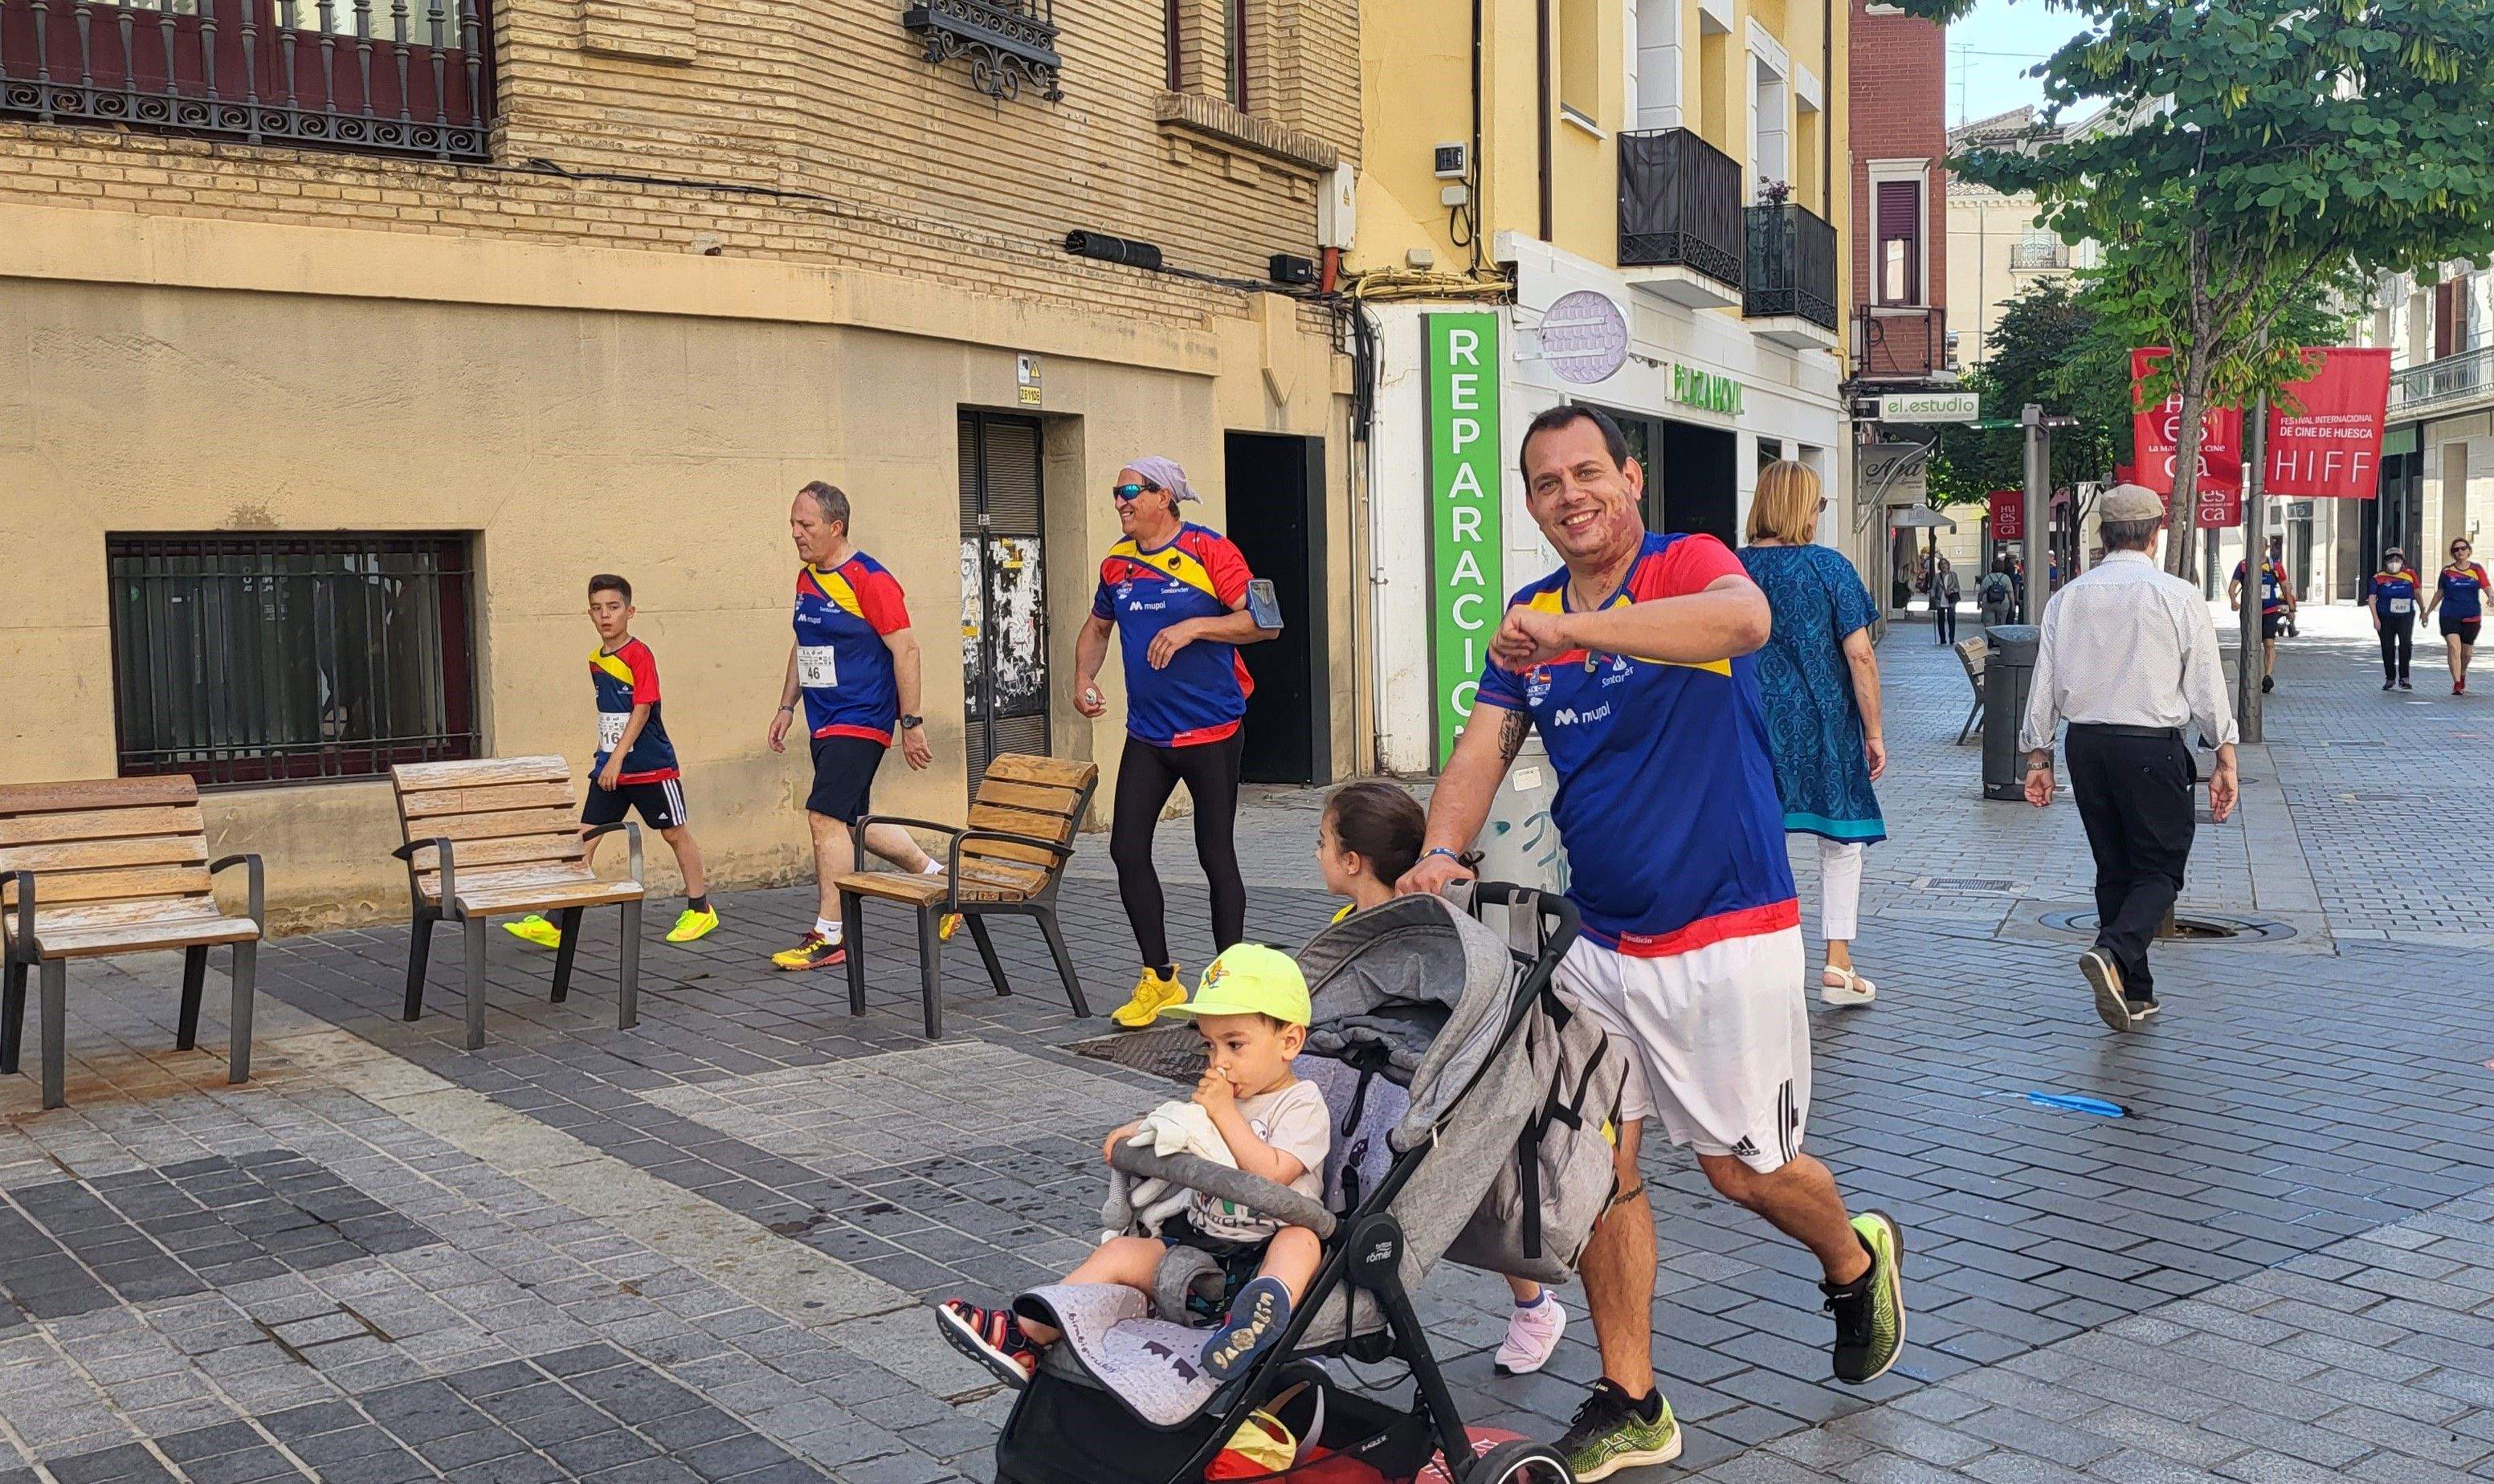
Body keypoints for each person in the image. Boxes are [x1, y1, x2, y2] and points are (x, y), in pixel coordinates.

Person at [1398, 406, 1905, 1482]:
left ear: (1631, 477)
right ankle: (1633, 1400)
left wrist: (1576, 635)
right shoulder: (1530, 616)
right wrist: (1442, 847)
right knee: (1595, 1168)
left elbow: (1743, 626)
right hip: (1601, 941)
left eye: (1587, 471)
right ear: (1531, 504)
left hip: (1725, 928)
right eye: (1545, 482)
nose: (1569, 494)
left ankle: (1853, 1259)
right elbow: (1483, 745)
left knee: (1741, 1175)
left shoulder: (1688, 564)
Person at [934, 944, 1329, 1385]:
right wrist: (1143, 1131)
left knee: (1303, 1240)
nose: (1219, 1062)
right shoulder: (1224, 1098)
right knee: (1120, 1252)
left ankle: (1252, 1326)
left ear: (1290, 1041)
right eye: (1209, 1046)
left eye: (1235, 1045)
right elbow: (1182, 1125)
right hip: (1204, 1245)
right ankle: (1023, 1337)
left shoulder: (1302, 1103)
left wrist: (1223, 1114)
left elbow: (1273, 1175)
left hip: (1267, 1246)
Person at [1313, 781, 1570, 1376]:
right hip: (1361, 1094)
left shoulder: (1438, 939)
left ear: (1352, 862)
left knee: (1471, 1194)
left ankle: (1534, 1306)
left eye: (1321, 841)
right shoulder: (1349, 932)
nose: (1317, 852)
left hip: (1426, 1097)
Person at [2021, 485, 2240, 1033]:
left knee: (2113, 865)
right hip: (2149, 745)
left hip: (2086, 744)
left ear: (2102, 534)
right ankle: (2113, 951)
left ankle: (2135, 991)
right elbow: (2206, 686)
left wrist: (2037, 756)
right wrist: (2224, 756)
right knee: (2161, 867)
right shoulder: (2177, 595)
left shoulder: (2068, 596)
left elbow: (2042, 681)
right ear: (2155, 530)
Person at [1073, 457, 1276, 1028]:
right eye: (1115, 492)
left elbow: (1266, 623)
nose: (1120, 501)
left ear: (1165, 496)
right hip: (1148, 733)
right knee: (1125, 849)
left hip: (1212, 730)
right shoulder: (1116, 563)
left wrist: (1193, 626)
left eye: (1131, 490)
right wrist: (1082, 677)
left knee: (1215, 854)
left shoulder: (1212, 551)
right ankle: (1159, 978)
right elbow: (1097, 626)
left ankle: (1228, 982)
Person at [765, 482, 949, 972]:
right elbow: (804, 645)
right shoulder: (808, 579)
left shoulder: (870, 578)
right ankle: (938, 879)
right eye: (792, 525)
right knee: (851, 822)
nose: (796, 534)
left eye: (805, 525)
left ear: (835, 527)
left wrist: (911, 723)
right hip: (823, 720)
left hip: (861, 717)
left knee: (823, 816)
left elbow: (906, 650)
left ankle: (830, 933)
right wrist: (786, 706)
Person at [1740, 463, 1889, 1008]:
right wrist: (1873, 730)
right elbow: (1859, 654)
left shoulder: (1730, 570)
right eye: (1818, 505)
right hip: (1824, 721)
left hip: (1750, 722)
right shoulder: (1828, 567)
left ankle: (1762, 958)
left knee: (1759, 836)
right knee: (1840, 842)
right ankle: (1837, 961)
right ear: (1801, 508)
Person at [508, 573, 719, 949]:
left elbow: (642, 707)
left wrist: (619, 757)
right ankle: (555, 923)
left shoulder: (640, 654)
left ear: (630, 611)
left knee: (674, 832)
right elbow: (611, 714)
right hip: (610, 770)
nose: (605, 615)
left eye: (614, 607)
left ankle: (700, 909)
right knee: (585, 837)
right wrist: (609, 759)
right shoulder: (595, 660)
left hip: (650, 767)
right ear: (589, 614)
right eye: (597, 609)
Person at [2227, 535, 2296, 695]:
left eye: (2260, 545)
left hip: (2269, 611)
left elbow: (2285, 587)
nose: (2256, 548)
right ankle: (2250, 676)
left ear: (2265, 548)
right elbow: (2233, 585)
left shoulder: (2274, 566)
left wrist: (2291, 608)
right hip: (2249, 613)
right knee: (2251, 645)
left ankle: (2267, 676)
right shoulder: (2244, 565)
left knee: (2269, 644)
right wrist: (2233, 601)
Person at [2422, 536, 2488, 695]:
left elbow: (2487, 588)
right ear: (2453, 553)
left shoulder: (2477, 569)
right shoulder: (2447, 572)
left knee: (2467, 653)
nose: (2460, 552)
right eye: (2456, 550)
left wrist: (2492, 598)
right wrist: (2427, 612)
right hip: (2449, 614)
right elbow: (2439, 593)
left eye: (2463, 548)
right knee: (2453, 647)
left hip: (2471, 616)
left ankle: (2463, 674)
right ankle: (2457, 683)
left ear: (2469, 551)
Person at [2369, 549, 2421, 692]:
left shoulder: (2410, 575)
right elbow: (2372, 599)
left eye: (2398, 560)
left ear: (2403, 561)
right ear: (2385, 562)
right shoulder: (2378, 578)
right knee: (2388, 647)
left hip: (2405, 617)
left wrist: (2423, 610)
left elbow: (2417, 593)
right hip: (2385, 617)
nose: (2394, 563)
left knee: (2405, 645)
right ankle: (2390, 678)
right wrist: (2375, 619)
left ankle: (2404, 678)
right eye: (2391, 560)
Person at [1929, 554, 1961, 646]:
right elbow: (1933, 588)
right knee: (1941, 620)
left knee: (1952, 619)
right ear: (1939, 566)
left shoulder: (1953, 575)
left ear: (1948, 565)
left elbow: (1958, 588)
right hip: (1940, 601)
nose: (1944, 565)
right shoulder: (1937, 577)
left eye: (1945, 563)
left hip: (1951, 600)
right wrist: (1933, 598)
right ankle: (1943, 639)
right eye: (1942, 564)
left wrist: (1951, 591)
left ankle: (1952, 638)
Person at [1978, 562, 2014, 630]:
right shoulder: (2006, 578)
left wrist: (1979, 603)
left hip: (1988, 603)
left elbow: (1981, 592)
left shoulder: (1987, 578)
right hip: (2003, 603)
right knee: (2001, 624)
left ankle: (1991, 639)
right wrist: (2013, 606)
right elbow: (2010, 593)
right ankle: (1999, 638)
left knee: (1989, 625)